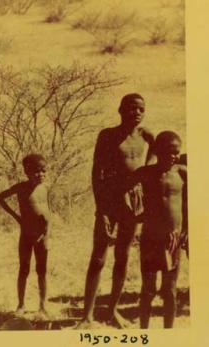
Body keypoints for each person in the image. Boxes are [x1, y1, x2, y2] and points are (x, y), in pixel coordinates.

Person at [77, 93, 155, 328]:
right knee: (99, 257)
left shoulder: (147, 135)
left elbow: (158, 157)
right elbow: (96, 172)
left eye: (141, 108)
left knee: (123, 255)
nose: (137, 112)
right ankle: (87, 316)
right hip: (109, 201)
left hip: (133, 202)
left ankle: (112, 311)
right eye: (131, 108)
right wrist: (101, 210)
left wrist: (145, 174)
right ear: (120, 111)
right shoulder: (108, 135)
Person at [128, 131, 187, 328]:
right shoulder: (145, 173)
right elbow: (122, 191)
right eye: (169, 152)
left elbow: (190, 205)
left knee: (170, 290)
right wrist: (134, 211)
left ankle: (168, 333)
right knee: (148, 290)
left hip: (173, 240)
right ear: (158, 152)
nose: (173, 156)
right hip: (150, 239)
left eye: (176, 152)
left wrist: (186, 231)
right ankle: (144, 331)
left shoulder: (182, 174)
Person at [0, 154, 52, 317]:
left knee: (42, 271)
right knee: (24, 269)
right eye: (36, 172)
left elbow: (49, 210)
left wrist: (48, 234)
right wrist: (17, 218)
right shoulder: (21, 187)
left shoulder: (46, 187)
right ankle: (21, 305)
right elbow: (0, 198)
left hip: (43, 236)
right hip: (27, 235)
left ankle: (42, 305)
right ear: (27, 172)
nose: (40, 175)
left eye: (43, 171)